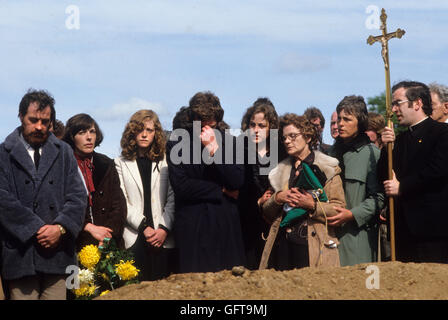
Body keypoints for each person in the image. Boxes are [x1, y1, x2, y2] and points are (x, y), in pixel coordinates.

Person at [0, 89, 86, 300]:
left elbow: (78, 196)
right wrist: (36, 228)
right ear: (21, 117)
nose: (39, 126)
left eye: (45, 121)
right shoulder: (4, 153)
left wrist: (60, 228)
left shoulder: (64, 151)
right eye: (33, 120)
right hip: (20, 254)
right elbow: (2, 199)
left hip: (58, 256)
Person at [167, 91, 245, 273]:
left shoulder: (231, 142)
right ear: (193, 117)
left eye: (211, 120)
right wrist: (221, 191)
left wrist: (214, 150)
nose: (206, 125)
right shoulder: (177, 142)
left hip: (224, 224)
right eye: (201, 120)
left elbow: (237, 180)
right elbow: (181, 186)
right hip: (193, 225)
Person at [259, 113, 345, 270]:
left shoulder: (328, 168)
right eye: (284, 137)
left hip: (314, 247)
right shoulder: (279, 171)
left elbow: (338, 209)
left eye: (292, 136)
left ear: (308, 137)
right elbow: (267, 213)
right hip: (281, 247)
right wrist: (278, 198)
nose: (287, 141)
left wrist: (312, 204)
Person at [379, 81, 448, 263]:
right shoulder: (399, 141)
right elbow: (384, 175)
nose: (394, 110)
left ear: (417, 103)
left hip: (432, 231)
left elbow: (438, 171)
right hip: (402, 230)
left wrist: (402, 187)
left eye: (398, 103)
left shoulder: (442, 133)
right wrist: (386, 149)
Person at [115, 110, 176, 281]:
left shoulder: (166, 160)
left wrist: (163, 228)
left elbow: (173, 197)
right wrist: (144, 227)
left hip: (163, 237)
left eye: (149, 130)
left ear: (156, 133)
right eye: (140, 129)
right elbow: (122, 200)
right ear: (131, 132)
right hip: (135, 237)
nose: (144, 134)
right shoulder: (120, 163)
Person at [329, 95, 384, 266]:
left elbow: (379, 198)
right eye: (339, 119)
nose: (340, 124)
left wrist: (352, 214)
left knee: (363, 289)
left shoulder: (372, 155)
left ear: (360, 122)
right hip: (328, 237)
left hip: (359, 238)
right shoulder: (329, 155)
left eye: (347, 119)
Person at [62, 114, 126, 250]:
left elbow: (118, 204)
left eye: (92, 131)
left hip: (107, 241)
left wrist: (108, 236)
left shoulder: (106, 163)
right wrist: (88, 228)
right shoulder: (63, 165)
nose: (89, 137)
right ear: (72, 137)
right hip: (75, 242)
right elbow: (61, 205)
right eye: (82, 132)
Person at [238, 97, 282, 270]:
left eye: (262, 126)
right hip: (246, 226)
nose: (256, 130)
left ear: (271, 127)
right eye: (252, 125)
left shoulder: (281, 152)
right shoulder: (239, 151)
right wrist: (257, 202)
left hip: (276, 224)